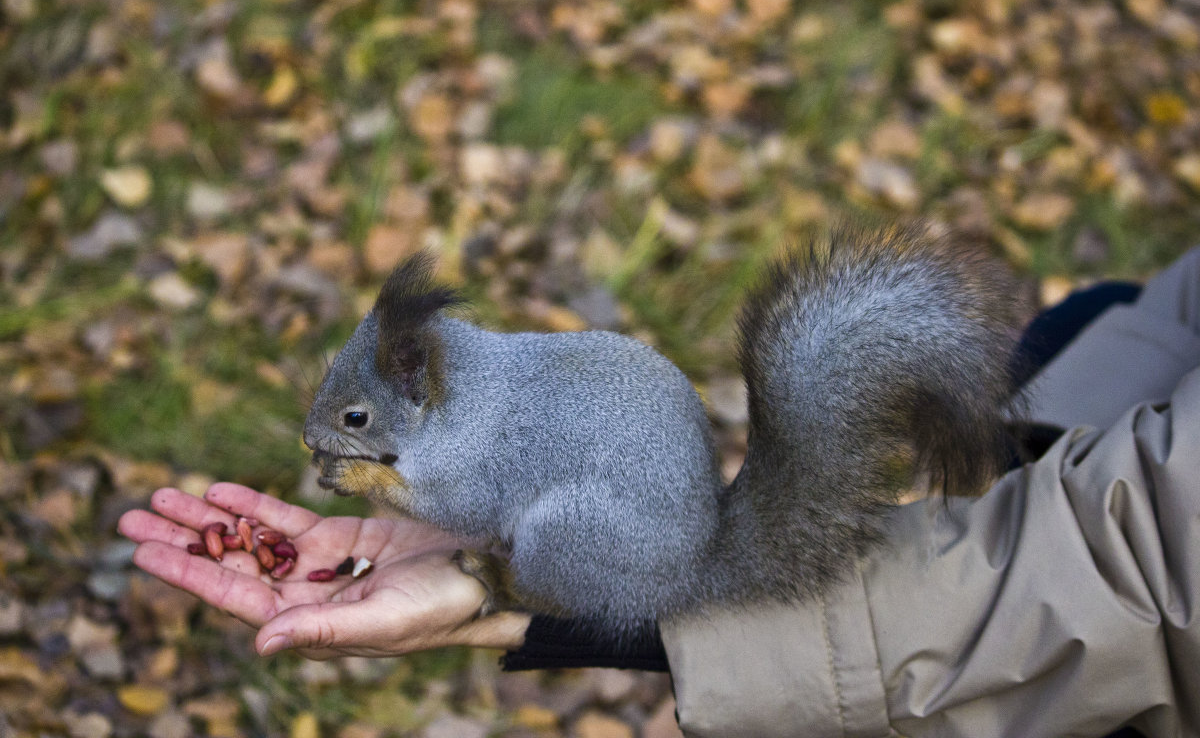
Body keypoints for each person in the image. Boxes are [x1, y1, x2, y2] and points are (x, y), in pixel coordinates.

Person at [118, 246, 1200, 737]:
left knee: (540, 522)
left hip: (635, 537)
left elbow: (452, 491)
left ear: (415, 381)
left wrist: (388, 487)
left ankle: (532, 578)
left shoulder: (462, 427)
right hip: (1127, 424)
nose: (334, 448)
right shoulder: (471, 373)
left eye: (353, 424)